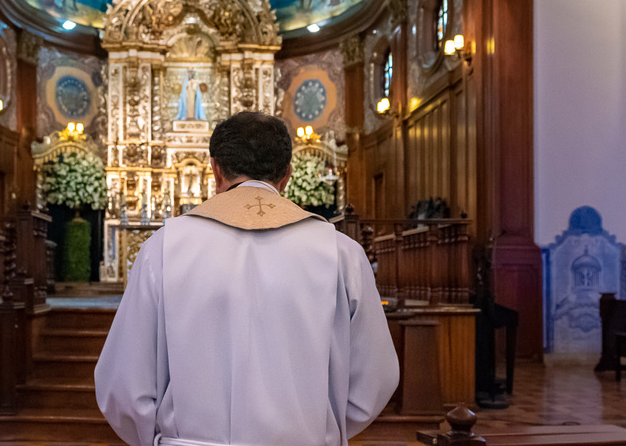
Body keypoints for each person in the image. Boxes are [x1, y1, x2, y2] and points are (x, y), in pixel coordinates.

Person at [95, 111, 399, 446]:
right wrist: (318, 431)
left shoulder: (162, 250)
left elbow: (123, 385)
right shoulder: (342, 253)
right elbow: (376, 378)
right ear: (286, 174)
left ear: (215, 169)